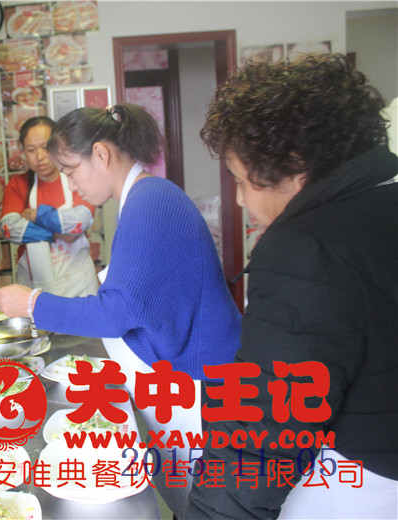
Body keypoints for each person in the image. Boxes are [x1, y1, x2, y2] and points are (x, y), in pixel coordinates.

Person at [0, 104, 241, 515]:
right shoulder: (143, 196)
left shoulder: (148, 202)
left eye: (72, 170)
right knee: (189, 501)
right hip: (185, 377)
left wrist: (32, 303)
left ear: (102, 154)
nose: (72, 182)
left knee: (206, 506)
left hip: (203, 386)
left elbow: (118, 312)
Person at [186, 55, 398, 519]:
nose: (238, 199)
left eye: (241, 181)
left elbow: (261, 435)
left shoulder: (306, 248)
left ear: (297, 166)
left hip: (362, 484)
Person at [0, 116, 99, 296]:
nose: (40, 157)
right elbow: (9, 228)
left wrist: (36, 216)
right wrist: (58, 229)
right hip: (33, 287)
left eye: (45, 147)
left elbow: (79, 222)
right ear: (22, 151)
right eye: (31, 150)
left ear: (59, 145)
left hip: (78, 284)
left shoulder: (77, 177)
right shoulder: (18, 184)